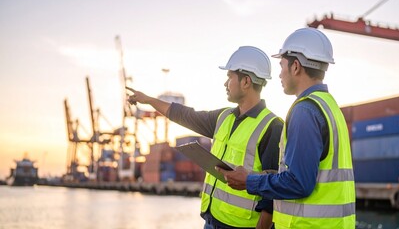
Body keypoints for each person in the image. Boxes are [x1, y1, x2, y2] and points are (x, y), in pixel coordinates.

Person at [126, 46, 284, 229]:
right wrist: (150, 100)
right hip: (211, 221)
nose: (226, 83)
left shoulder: (272, 127)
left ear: (246, 81)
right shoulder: (223, 117)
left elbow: (271, 195)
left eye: (230, 77)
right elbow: (184, 115)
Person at [217, 28, 356, 228]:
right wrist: (265, 176)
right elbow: (315, 172)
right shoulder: (329, 105)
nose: (280, 73)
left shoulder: (304, 111)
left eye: (282, 65)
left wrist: (249, 181)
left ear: (296, 66)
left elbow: (299, 183)